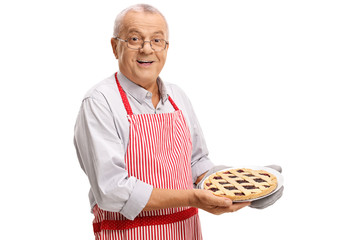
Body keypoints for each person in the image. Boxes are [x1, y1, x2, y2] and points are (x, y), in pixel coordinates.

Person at [74, 4, 283, 240]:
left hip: (186, 231)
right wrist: (192, 198)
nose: (146, 49)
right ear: (115, 47)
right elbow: (111, 190)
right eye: (134, 39)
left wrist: (243, 186)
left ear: (166, 47)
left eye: (156, 40)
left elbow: (197, 162)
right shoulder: (100, 102)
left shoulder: (177, 97)